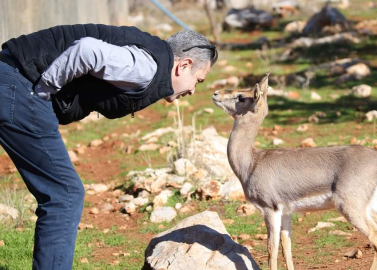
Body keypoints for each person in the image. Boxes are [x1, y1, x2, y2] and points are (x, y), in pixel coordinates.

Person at [0, 24, 217, 270]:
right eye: (197, 81)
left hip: (8, 75)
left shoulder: (151, 57)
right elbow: (87, 51)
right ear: (184, 65)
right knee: (65, 195)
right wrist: (43, 90)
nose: (192, 90)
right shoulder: (147, 67)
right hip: (18, 83)